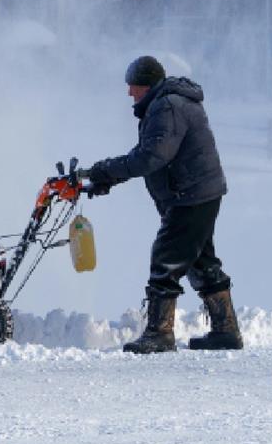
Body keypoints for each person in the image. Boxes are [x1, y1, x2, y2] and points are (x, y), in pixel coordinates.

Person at [86, 56, 243, 354]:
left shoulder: (168, 106)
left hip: (190, 195)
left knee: (166, 258)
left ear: (147, 84)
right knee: (201, 261)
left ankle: (160, 333)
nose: (129, 93)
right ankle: (226, 331)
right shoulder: (165, 104)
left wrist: (105, 170)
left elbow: (152, 157)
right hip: (197, 192)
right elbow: (148, 153)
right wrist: (108, 178)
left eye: (133, 86)